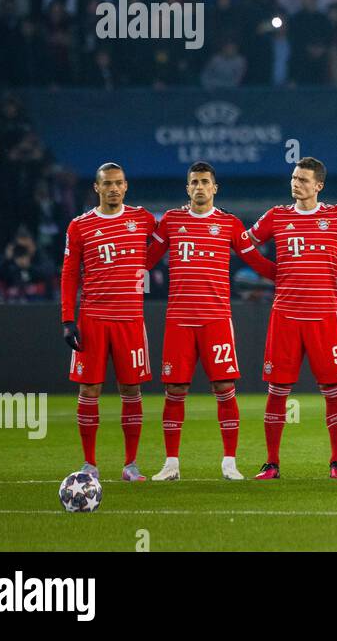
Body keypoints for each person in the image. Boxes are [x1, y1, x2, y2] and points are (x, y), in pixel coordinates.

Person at [243, 157, 337, 480]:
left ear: (319, 185)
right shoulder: (276, 216)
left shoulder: (336, 215)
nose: (296, 184)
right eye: (293, 177)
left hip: (324, 316)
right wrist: (272, 273)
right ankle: (271, 463)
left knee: (333, 389)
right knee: (277, 390)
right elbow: (244, 244)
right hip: (285, 316)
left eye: (303, 179)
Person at [143, 162, 275, 482]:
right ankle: (171, 464)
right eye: (194, 182)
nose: (200, 187)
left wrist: (285, 274)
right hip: (179, 320)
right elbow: (146, 259)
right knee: (175, 388)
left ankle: (229, 462)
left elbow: (255, 261)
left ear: (215, 188)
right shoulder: (172, 221)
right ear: (187, 188)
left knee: (225, 387)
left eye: (205, 182)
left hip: (216, 319)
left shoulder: (229, 224)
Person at [61, 163, 156, 481]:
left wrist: (138, 267)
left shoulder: (142, 218)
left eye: (119, 183)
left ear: (126, 186)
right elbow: (70, 273)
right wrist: (67, 319)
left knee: (131, 388)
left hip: (130, 319)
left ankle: (131, 465)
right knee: (90, 388)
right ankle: (90, 464)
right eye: (108, 184)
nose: (114, 188)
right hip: (92, 319)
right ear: (96, 188)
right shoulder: (79, 226)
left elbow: (160, 245)